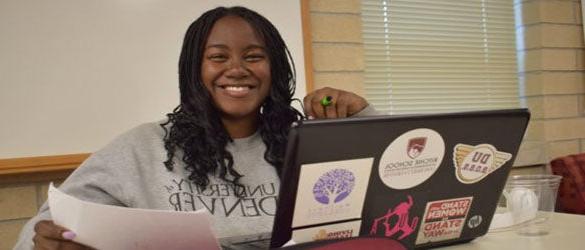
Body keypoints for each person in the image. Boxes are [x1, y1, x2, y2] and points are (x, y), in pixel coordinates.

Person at [14, 6, 378, 250]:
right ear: (194, 70)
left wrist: (362, 116)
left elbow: (393, 193)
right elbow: (37, 232)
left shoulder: (310, 142)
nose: (237, 69)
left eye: (253, 56)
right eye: (218, 57)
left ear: (275, 70)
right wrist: (47, 242)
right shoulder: (143, 148)